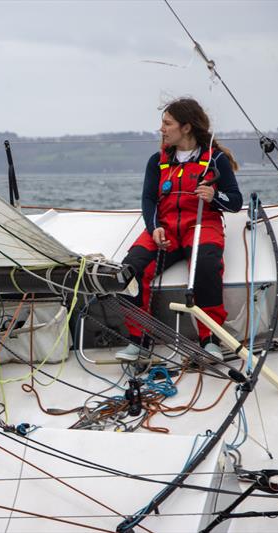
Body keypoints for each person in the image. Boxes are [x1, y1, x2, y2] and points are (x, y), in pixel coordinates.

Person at [116, 98, 242, 362]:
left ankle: (209, 340)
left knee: (206, 266)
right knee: (128, 271)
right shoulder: (157, 161)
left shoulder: (215, 159)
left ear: (185, 127)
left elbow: (235, 201)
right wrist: (154, 228)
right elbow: (148, 200)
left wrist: (214, 196)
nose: (161, 129)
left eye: (167, 123)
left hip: (202, 224)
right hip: (166, 227)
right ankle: (140, 340)